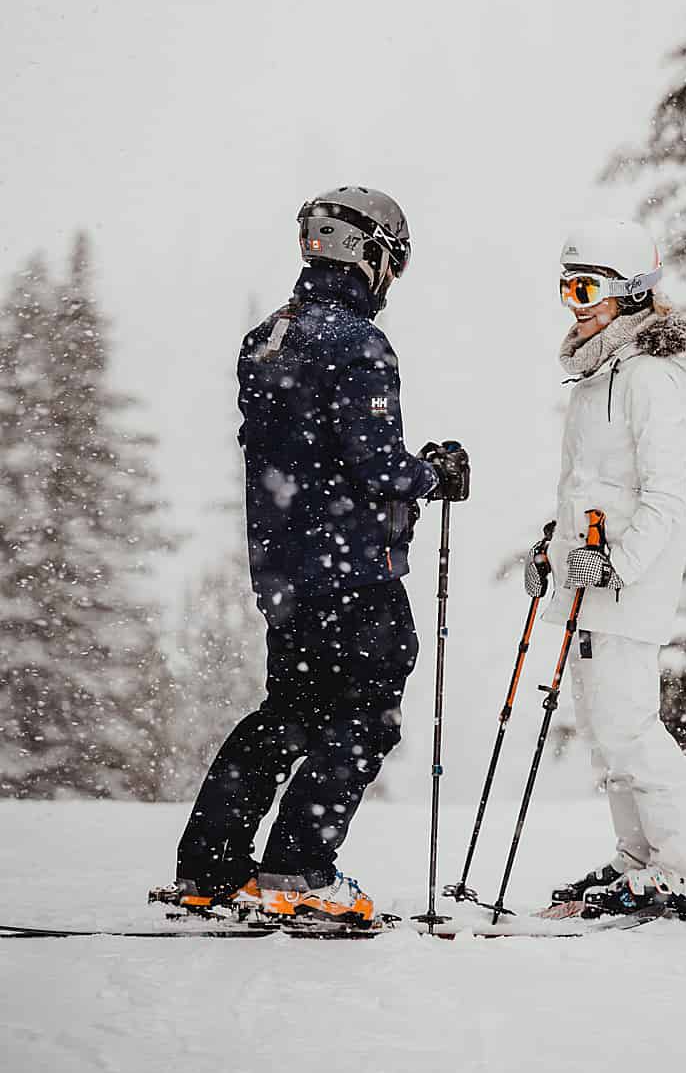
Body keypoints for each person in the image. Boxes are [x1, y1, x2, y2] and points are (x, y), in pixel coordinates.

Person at [162, 187, 467, 927]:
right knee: (368, 711)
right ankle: (298, 871)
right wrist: (435, 473)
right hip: (354, 570)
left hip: (287, 572)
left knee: (290, 711)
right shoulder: (357, 342)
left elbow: (301, 455)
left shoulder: (269, 335)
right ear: (369, 254)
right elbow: (374, 467)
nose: (392, 277)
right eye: (393, 260)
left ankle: (211, 869)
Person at [531, 218, 686, 917]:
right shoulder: (596, 376)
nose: (575, 302)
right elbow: (588, 491)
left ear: (632, 290)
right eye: (566, 288)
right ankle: (638, 857)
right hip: (591, 579)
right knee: (603, 730)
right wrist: (552, 552)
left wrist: (616, 566)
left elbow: (665, 499)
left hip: (627, 583)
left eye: (586, 287)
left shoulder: (649, 378)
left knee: (632, 728)